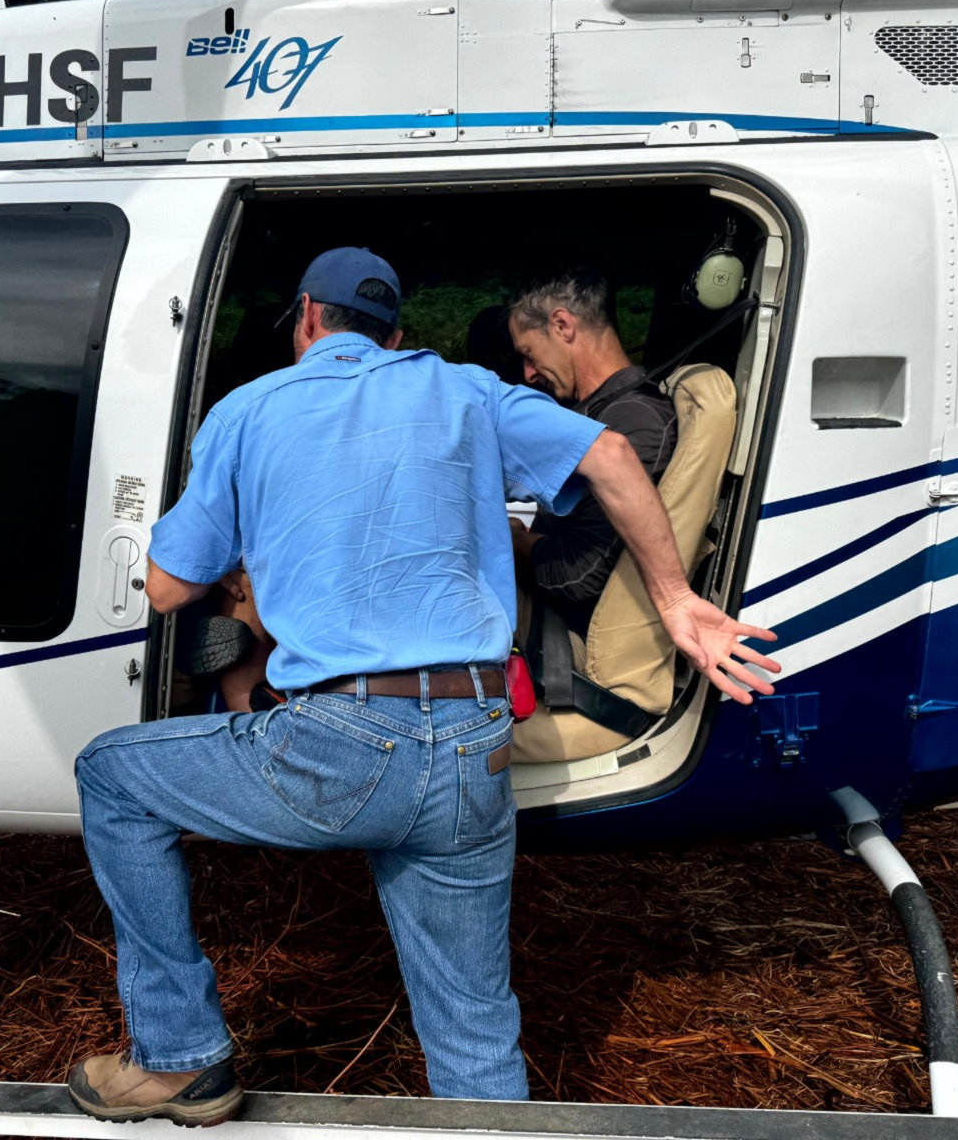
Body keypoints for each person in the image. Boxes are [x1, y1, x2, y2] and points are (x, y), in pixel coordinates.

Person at [68, 248, 780, 1125]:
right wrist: (676, 600)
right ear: (396, 336)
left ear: (306, 320)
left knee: (113, 774)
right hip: (475, 740)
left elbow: (170, 589)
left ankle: (180, 1059)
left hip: (340, 743)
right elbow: (608, 452)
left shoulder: (248, 409)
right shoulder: (467, 392)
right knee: (475, 1028)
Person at [507, 268, 678, 635]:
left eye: (529, 354)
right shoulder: (600, 413)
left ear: (562, 325)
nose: (528, 374)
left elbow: (577, 577)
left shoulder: (632, 423)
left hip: (558, 631)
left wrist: (514, 541)